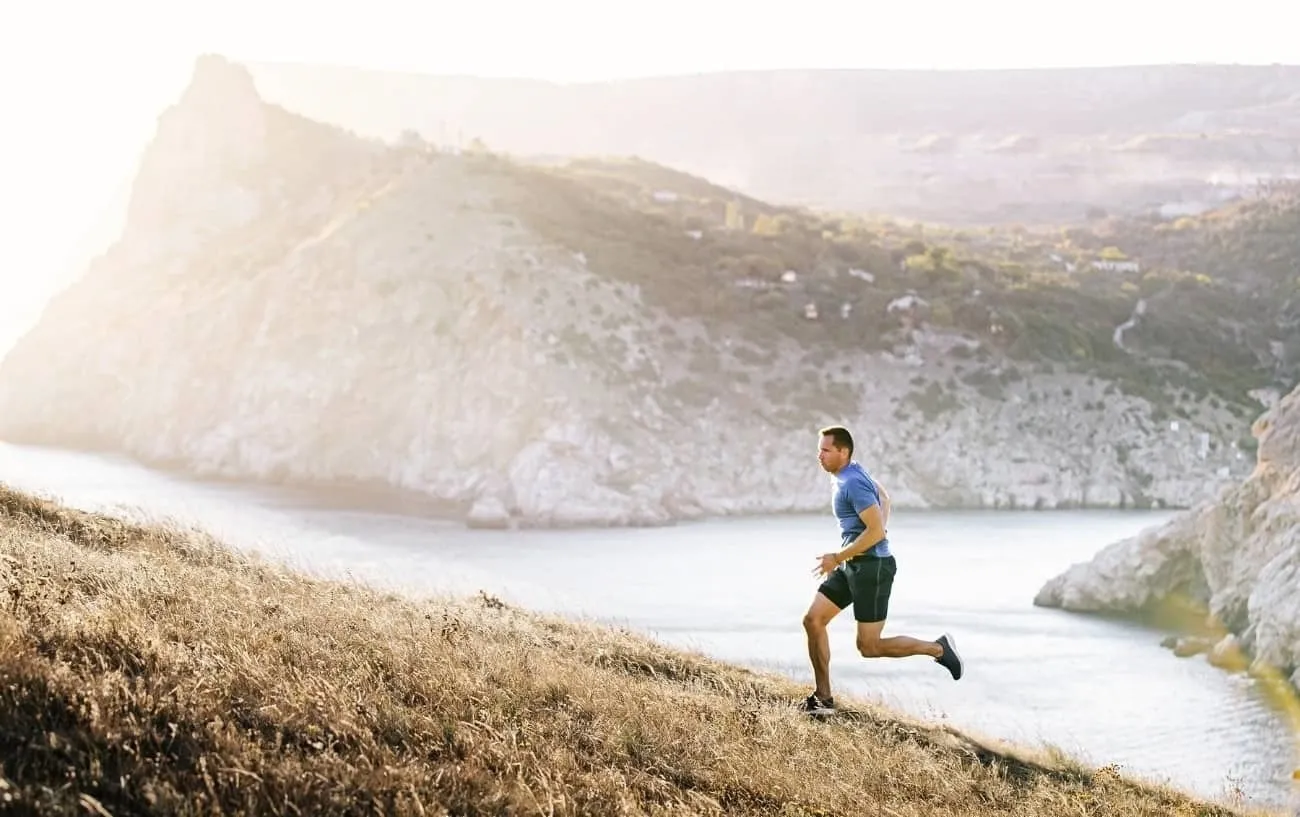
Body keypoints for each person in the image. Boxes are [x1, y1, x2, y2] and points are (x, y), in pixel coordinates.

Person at [800, 425, 963, 716]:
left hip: (872, 568)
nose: (819, 455)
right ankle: (823, 698)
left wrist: (838, 556)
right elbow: (885, 500)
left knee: (869, 646)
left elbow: (874, 532)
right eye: (820, 449)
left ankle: (938, 649)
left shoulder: (853, 483)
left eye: (825, 450)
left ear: (843, 452)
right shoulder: (847, 475)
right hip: (854, 564)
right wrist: (864, 542)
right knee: (813, 620)